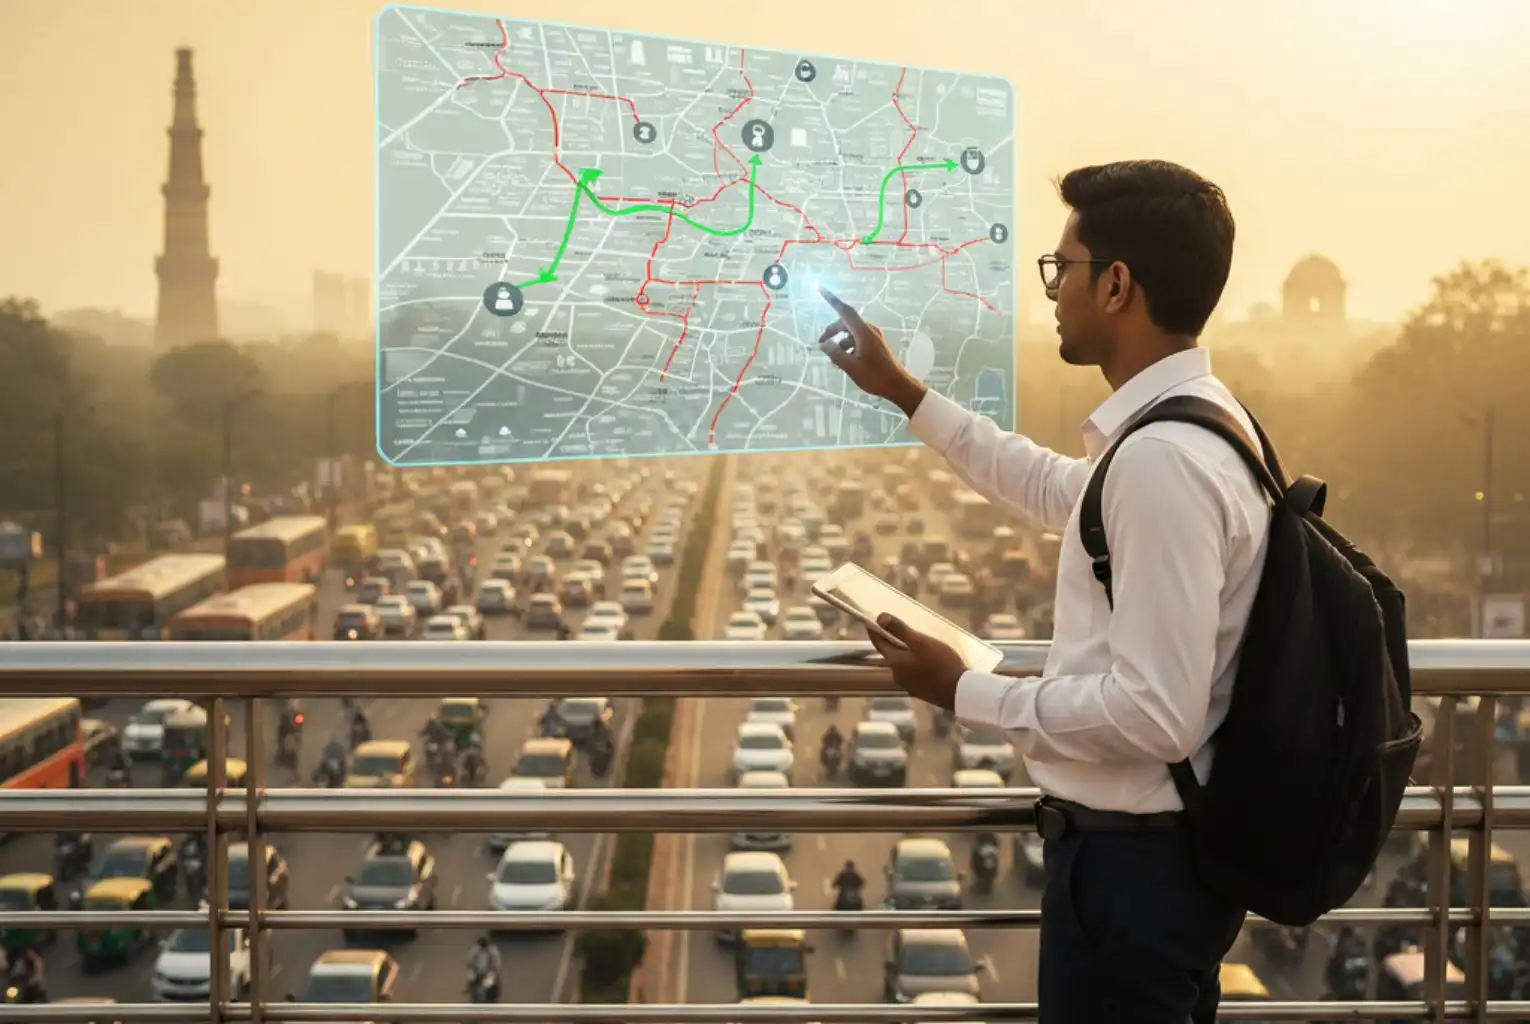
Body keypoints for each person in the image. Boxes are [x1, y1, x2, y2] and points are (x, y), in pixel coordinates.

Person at [815, 160, 1261, 1023]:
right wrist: (904, 391)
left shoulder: (1165, 461)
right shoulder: (1194, 423)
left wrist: (965, 690)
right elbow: (1061, 492)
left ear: (1119, 285)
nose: (1052, 291)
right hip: (1147, 866)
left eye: (1064, 269)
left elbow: (1157, 714)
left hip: (1134, 877)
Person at [467, 935, 502, 1002]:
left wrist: (495, 970)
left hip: (489, 971)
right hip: (477, 970)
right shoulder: (475, 950)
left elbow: (497, 961)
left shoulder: (493, 951)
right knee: (470, 978)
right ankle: (469, 989)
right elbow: (470, 959)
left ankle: (496, 994)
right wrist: (470, 966)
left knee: (494, 980)